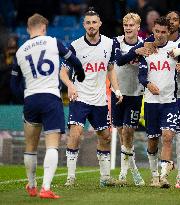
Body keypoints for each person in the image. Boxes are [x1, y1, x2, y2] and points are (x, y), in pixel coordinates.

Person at [10, 13, 85, 199]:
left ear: (28, 29)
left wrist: (25, 98)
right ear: (44, 28)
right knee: (52, 145)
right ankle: (45, 188)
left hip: (31, 100)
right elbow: (73, 60)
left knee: (30, 146)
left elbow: (13, 84)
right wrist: (80, 73)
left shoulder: (20, 51)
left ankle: (32, 185)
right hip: (51, 98)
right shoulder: (53, 42)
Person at [60, 8, 123, 187]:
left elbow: (111, 69)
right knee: (76, 133)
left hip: (100, 99)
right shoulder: (75, 46)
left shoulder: (110, 44)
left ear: (100, 24)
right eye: (88, 22)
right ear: (83, 25)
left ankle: (104, 178)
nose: (91, 26)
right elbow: (63, 72)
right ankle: (70, 178)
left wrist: (117, 90)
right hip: (80, 97)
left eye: (94, 22)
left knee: (105, 137)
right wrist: (70, 85)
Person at [138, 17, 180, 188]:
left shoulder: (176, 49)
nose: (160, 35)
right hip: (151, 102)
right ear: (153, 31)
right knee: (152, 141)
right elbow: (141, 75)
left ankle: (163, 177)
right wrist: (148, 84)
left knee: (168, 136)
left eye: (164, 32)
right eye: (157, 31)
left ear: (169, 32)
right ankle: (154, 175)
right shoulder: (147, 50)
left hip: (170, 102)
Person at [112, 13, 145, 186]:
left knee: (128, 132)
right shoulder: (116, 42)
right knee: (121, 134)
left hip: (135, 93)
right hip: (117, 92)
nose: (128, 28)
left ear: (138, 27)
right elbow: (119, 60)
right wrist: (135, 52)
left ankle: (123, 175)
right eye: (126, 25)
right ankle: (134, 170)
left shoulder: (144, 44)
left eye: (131, 25)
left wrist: (139, 51)